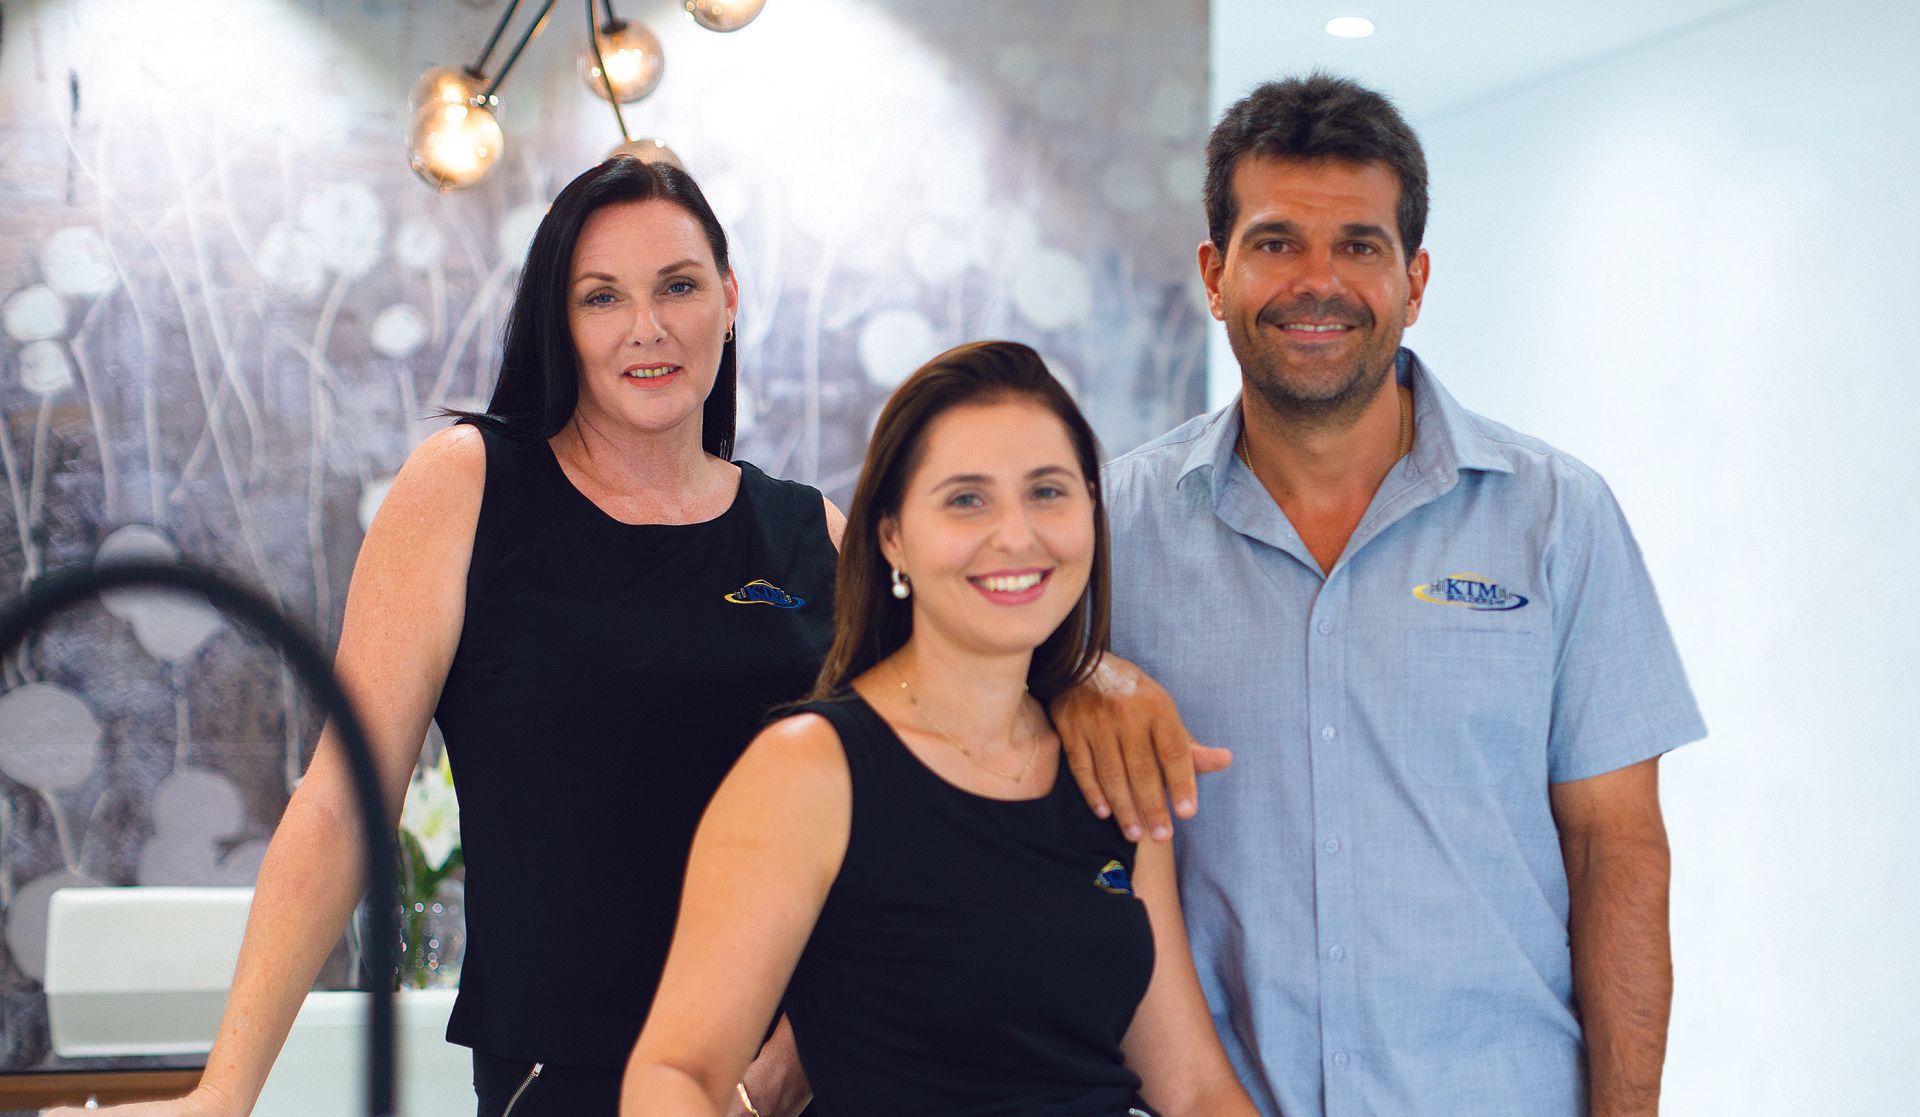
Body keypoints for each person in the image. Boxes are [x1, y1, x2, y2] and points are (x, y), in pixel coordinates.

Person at [57, 158, 833, 1117]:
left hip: (792, 1086)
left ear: (728, 299)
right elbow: (345, 803)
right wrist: (223, 1093)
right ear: (560, 323)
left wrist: (791, 1058)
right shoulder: (468, 489)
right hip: (564, 1078)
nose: (648, 326)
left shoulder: (816, 533)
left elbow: (913, 806)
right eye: (602, 296)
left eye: (677, 285)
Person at [1054, 75, 1706, 1116]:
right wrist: (1075, 674)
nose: (1320, 283)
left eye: (1359, 245)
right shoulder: (1107, 532)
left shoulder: (1558, 519)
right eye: (1276, 243)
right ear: (1214, 275)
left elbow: (1616, 850)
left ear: (1416, 278)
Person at [621, 341, 1258, 1117]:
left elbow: (1194, 1090)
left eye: (1049, 492)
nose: (1017, 535)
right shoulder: (809, 769)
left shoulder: (1105, 765)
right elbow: (676, 1072)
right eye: (967, 499)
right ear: (892, 534)